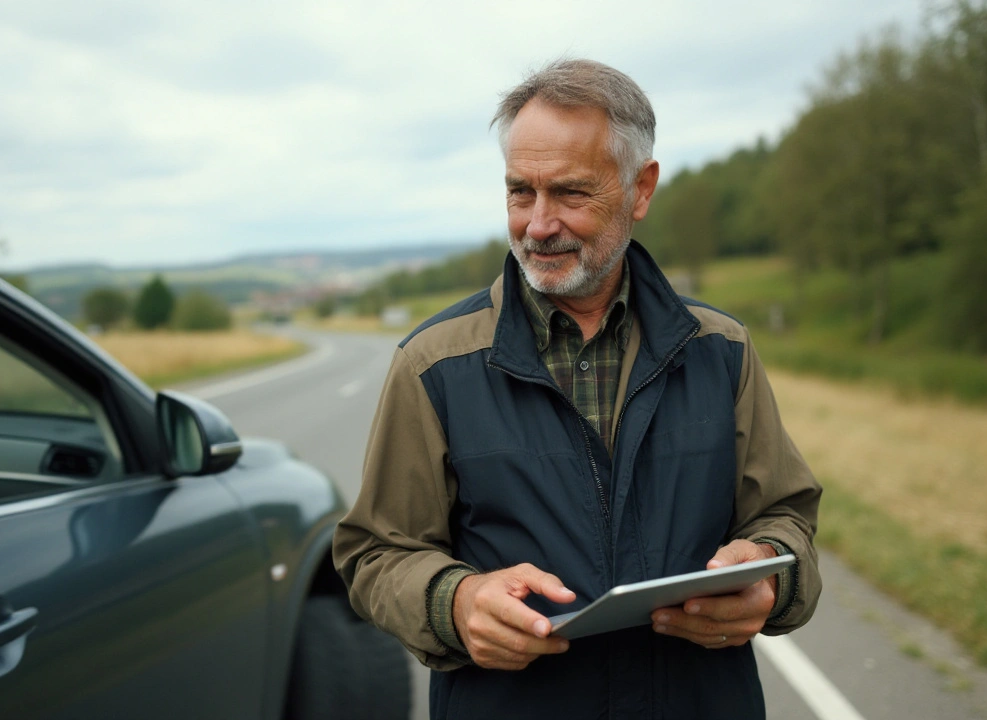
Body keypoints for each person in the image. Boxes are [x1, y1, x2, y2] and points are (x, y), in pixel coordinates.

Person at [333, 58, 822, 720]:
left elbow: (787, 519)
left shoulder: (720, 350)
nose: (537, 224)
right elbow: (373, 553)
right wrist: (453, 601)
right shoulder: (434, 365)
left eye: (569, 193)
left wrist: (770, 572)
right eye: (518, 192)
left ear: (640, 189)